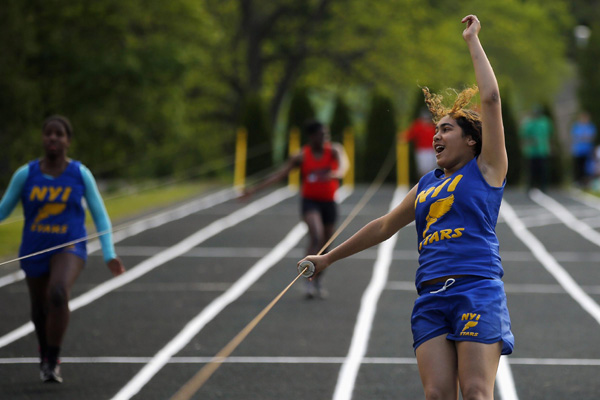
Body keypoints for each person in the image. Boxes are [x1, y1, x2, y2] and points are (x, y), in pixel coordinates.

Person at [299, 15, 513, 400]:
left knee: (478, 392)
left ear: (471, 141)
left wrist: (472, 41)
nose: (436, 135)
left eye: (446, 129)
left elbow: (491, 100)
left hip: (476, 289)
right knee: (437, 396)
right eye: (436, 130)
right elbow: (383, 227)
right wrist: (328, 258)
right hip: (430, 296)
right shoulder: (427, 184)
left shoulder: (488, 170)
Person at [0, 115, 125, 383]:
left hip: (70, 246)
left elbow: (100, 215)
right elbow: (3, 211)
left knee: (57, 293)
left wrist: (109, 253)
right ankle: (44, 353)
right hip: (34, 247)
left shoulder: (80, 174)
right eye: (48, 133)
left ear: (68, 141)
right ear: (43, 139)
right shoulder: (26, 174)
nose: (53, 138)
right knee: (38, 308)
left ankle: (53, 359)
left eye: (59, 134)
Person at [242, 120, 348, 299]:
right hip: (310, 202)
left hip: (329, 203)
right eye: (322, 135)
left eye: (327, 135)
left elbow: (345, 165)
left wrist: (338, 173)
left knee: (327, 246)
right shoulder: (301, 156)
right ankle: (307, 280)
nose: (325, 138)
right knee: (316, 235)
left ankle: (318, 280)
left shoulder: (334, 150)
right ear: (312, 136)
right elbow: (279, 175)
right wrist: (253, 190)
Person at [519, 105, 552, 191]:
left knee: (543, 170)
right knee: (531, 170)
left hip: (542, 150)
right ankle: (531, 185)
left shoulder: (544, 122)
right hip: (532, 151)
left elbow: (549, 135)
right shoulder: (530, 123)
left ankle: (543, 186)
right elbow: (524, 135)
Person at [404, 108, 438, 177]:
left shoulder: (433, 126)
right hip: (421, 151)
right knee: (423, 169)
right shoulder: (418, 125)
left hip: (432, 150)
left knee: (433, 168)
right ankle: (423, 183)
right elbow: (409, 135)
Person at [570, 111, 597, 187]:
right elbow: (575, 137)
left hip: (587, 150)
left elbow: (591, 137)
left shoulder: (591, 126)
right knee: (579, 167)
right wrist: (584, 137)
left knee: (588, 167)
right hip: (578, 150)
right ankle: (577, 182)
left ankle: (586, 182)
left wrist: (583, 137)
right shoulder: (576, 126)